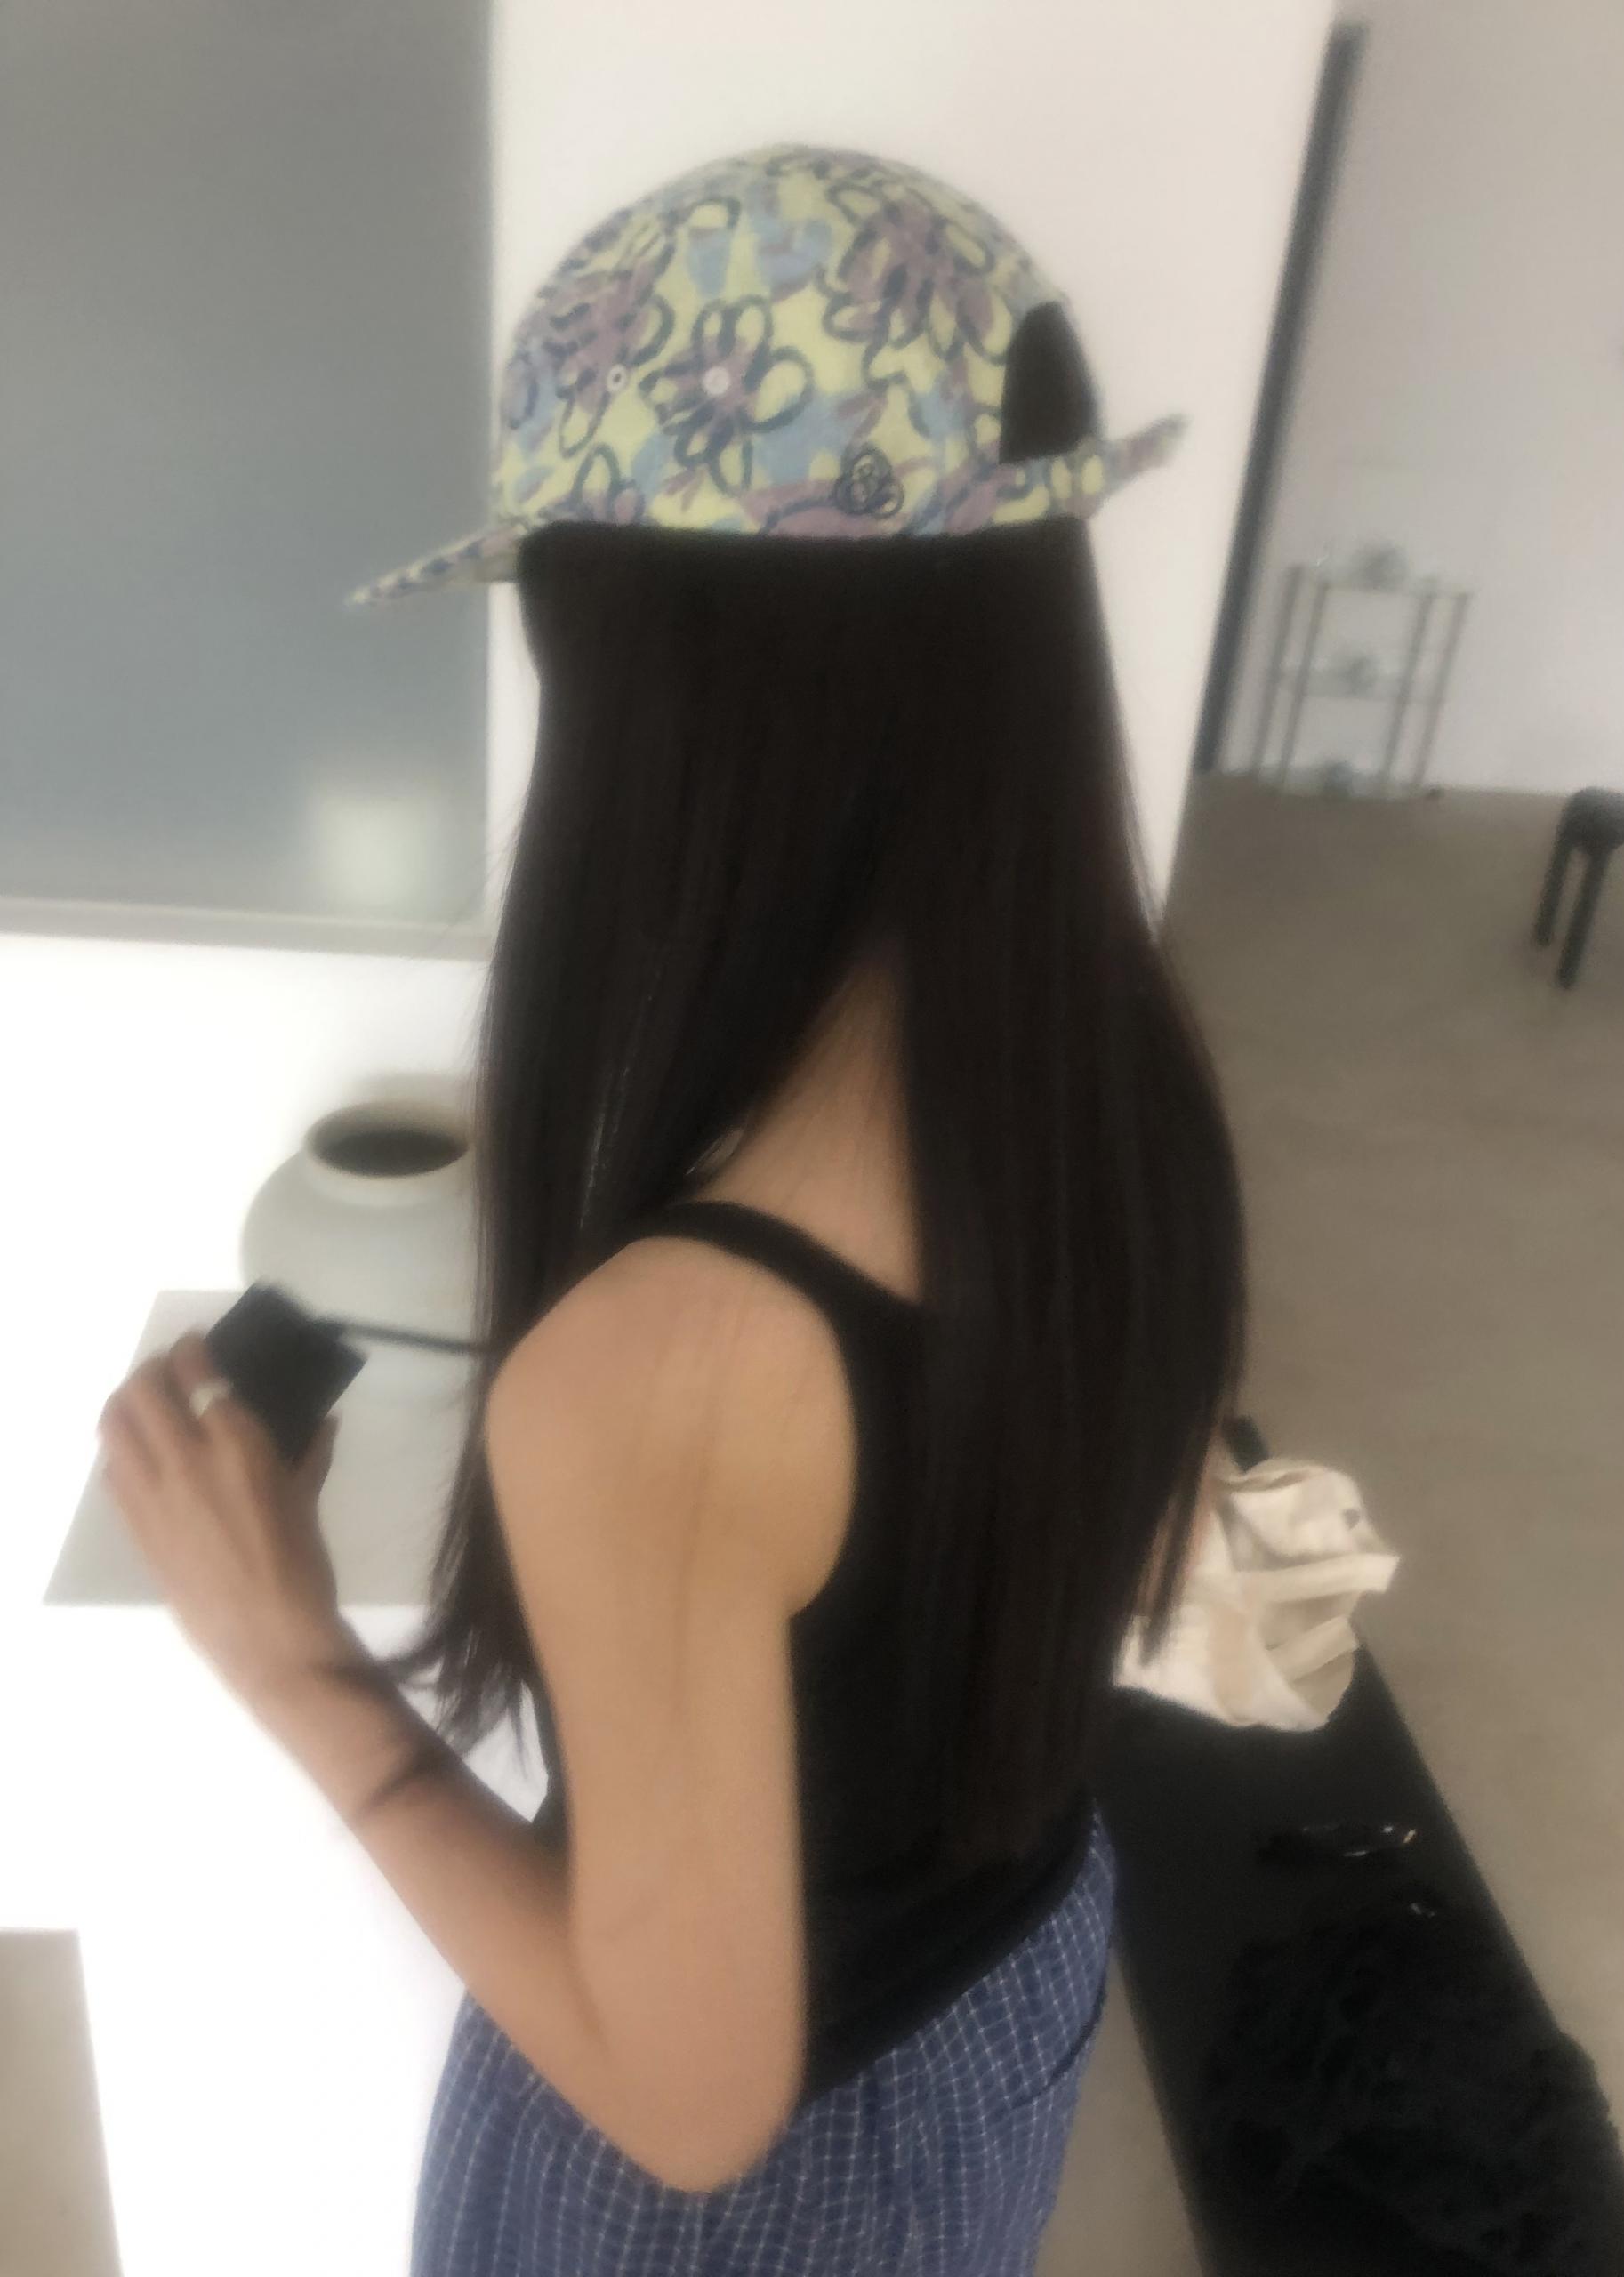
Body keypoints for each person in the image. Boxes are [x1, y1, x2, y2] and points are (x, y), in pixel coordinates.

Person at [114, 139, 1245, 2276]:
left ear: (671, 698)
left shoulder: (669, 1365)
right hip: (1012, 1983)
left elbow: (690, 2103)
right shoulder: (1118, 1080)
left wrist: (294, 1662)